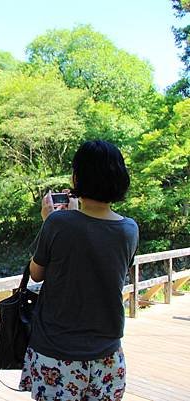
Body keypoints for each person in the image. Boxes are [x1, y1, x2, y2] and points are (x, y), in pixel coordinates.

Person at [19, 140, 139, 401]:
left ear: (77, 177)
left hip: (57, 354)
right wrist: (72, 216)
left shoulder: (58, 223)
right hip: (108, 356)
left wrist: (49, 219)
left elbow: (36, 273)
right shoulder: (130, 229)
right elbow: (103, 264)